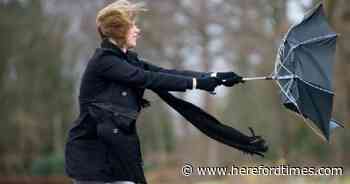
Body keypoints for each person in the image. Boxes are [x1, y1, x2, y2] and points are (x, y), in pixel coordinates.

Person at [64, 1, 245, 184]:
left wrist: (214, 76)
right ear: (119, 30)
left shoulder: (127, 60)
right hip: (93, 159)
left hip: (119, 154)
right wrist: (199, 83)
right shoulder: (104, 62)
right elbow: (147, 78)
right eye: (132, 25)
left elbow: (164, 73)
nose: (138, 30)